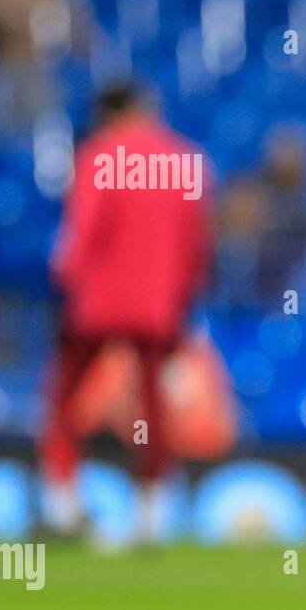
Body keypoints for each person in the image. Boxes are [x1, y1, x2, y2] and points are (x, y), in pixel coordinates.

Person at [39, 83, 214, 542]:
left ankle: (62, 505)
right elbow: (197, 247)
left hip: (96, 304)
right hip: (158, 306)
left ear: (108, 113)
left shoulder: (98, 157)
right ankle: (153, 513)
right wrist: (183, 300)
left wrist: (63, 286)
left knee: (62, 400)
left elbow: (79, 238)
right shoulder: (185, 160)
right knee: (154, 406)